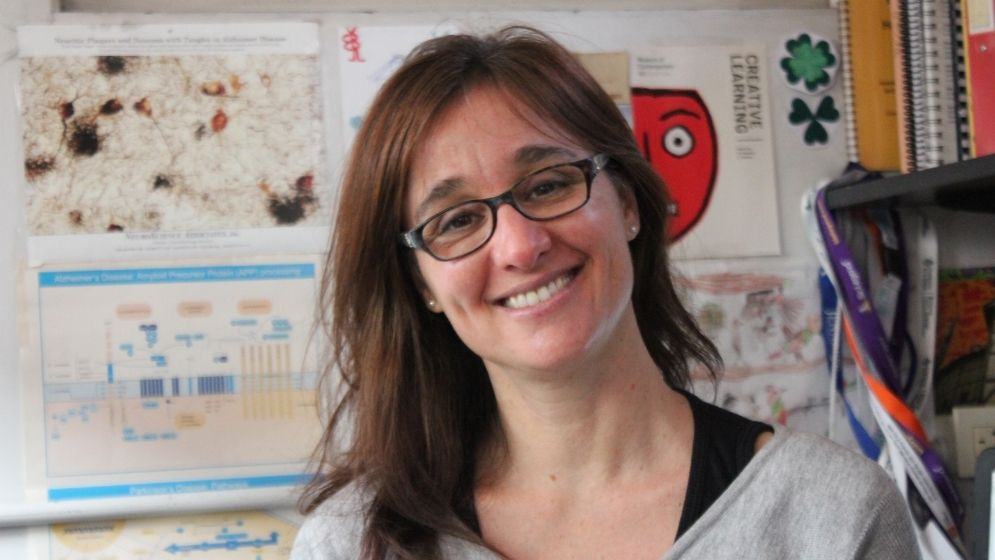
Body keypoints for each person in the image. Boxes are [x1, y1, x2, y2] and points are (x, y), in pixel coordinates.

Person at [291, 26, 918, 560]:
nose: (519, 247)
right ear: (420, 283)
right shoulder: (349, 546)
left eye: (547, 185)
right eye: (456, 221)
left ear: (627, 203)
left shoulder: (832, 517)